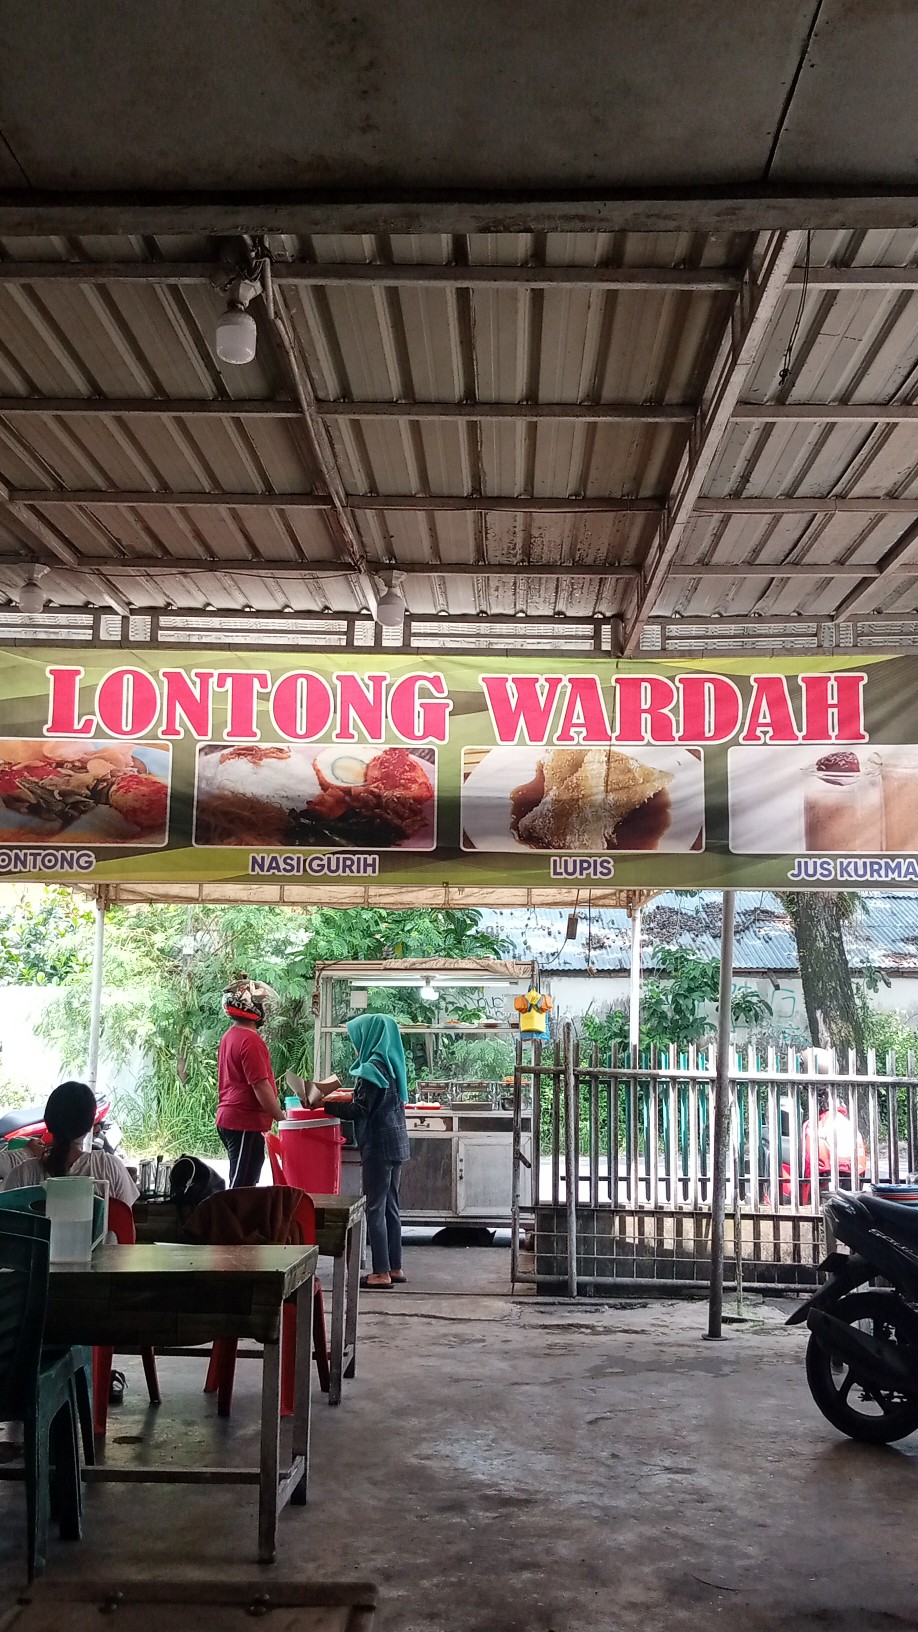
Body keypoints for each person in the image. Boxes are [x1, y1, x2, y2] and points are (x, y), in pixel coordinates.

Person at [306, 1013, 410, 1289]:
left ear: (369, 1036)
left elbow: (360, 1110)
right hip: (397, 1144)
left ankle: (381, 1272)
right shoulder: (391, 1064)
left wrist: (324, 1105)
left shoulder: (370, 1069)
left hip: (378, 1146)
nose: (355, 1043)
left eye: (356, 1037)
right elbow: (371, 1099)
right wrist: (344, 1096)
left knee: (374, 1208)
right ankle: (395, 1266)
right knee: (391, 1206)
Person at [1, 1079, 139, 1204]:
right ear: (90, 1126)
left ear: (48, 1122)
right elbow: (125, 1221)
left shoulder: (23, 1175)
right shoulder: (109, 1168)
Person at [216, 974, 286, 1188]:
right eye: (261, 1004)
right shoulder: (251, 1040)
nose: (265, 1009)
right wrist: (281, 1117)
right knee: (241, 1185)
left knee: (247, 1178)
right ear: (249, 1006)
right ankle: (232, 1212)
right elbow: (260, 1085)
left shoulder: (231, 1035)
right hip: (244, 1121)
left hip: (234, 1119)